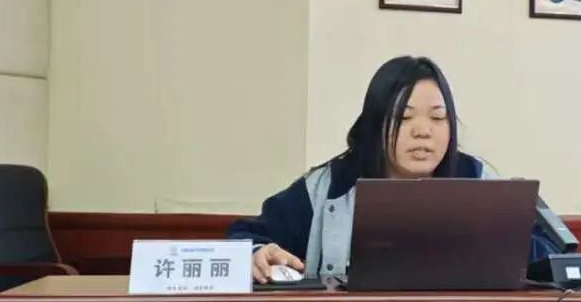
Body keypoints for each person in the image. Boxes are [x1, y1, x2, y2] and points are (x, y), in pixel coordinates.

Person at [228, 55, 557, 283]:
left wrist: (502, 239)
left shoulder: (477, 180)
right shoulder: (330, 186)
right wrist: (259, 253)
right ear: (374, 124)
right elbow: (244, 238)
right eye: (404, 117)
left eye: (438, 117)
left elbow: (552, 254)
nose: (423, 131)